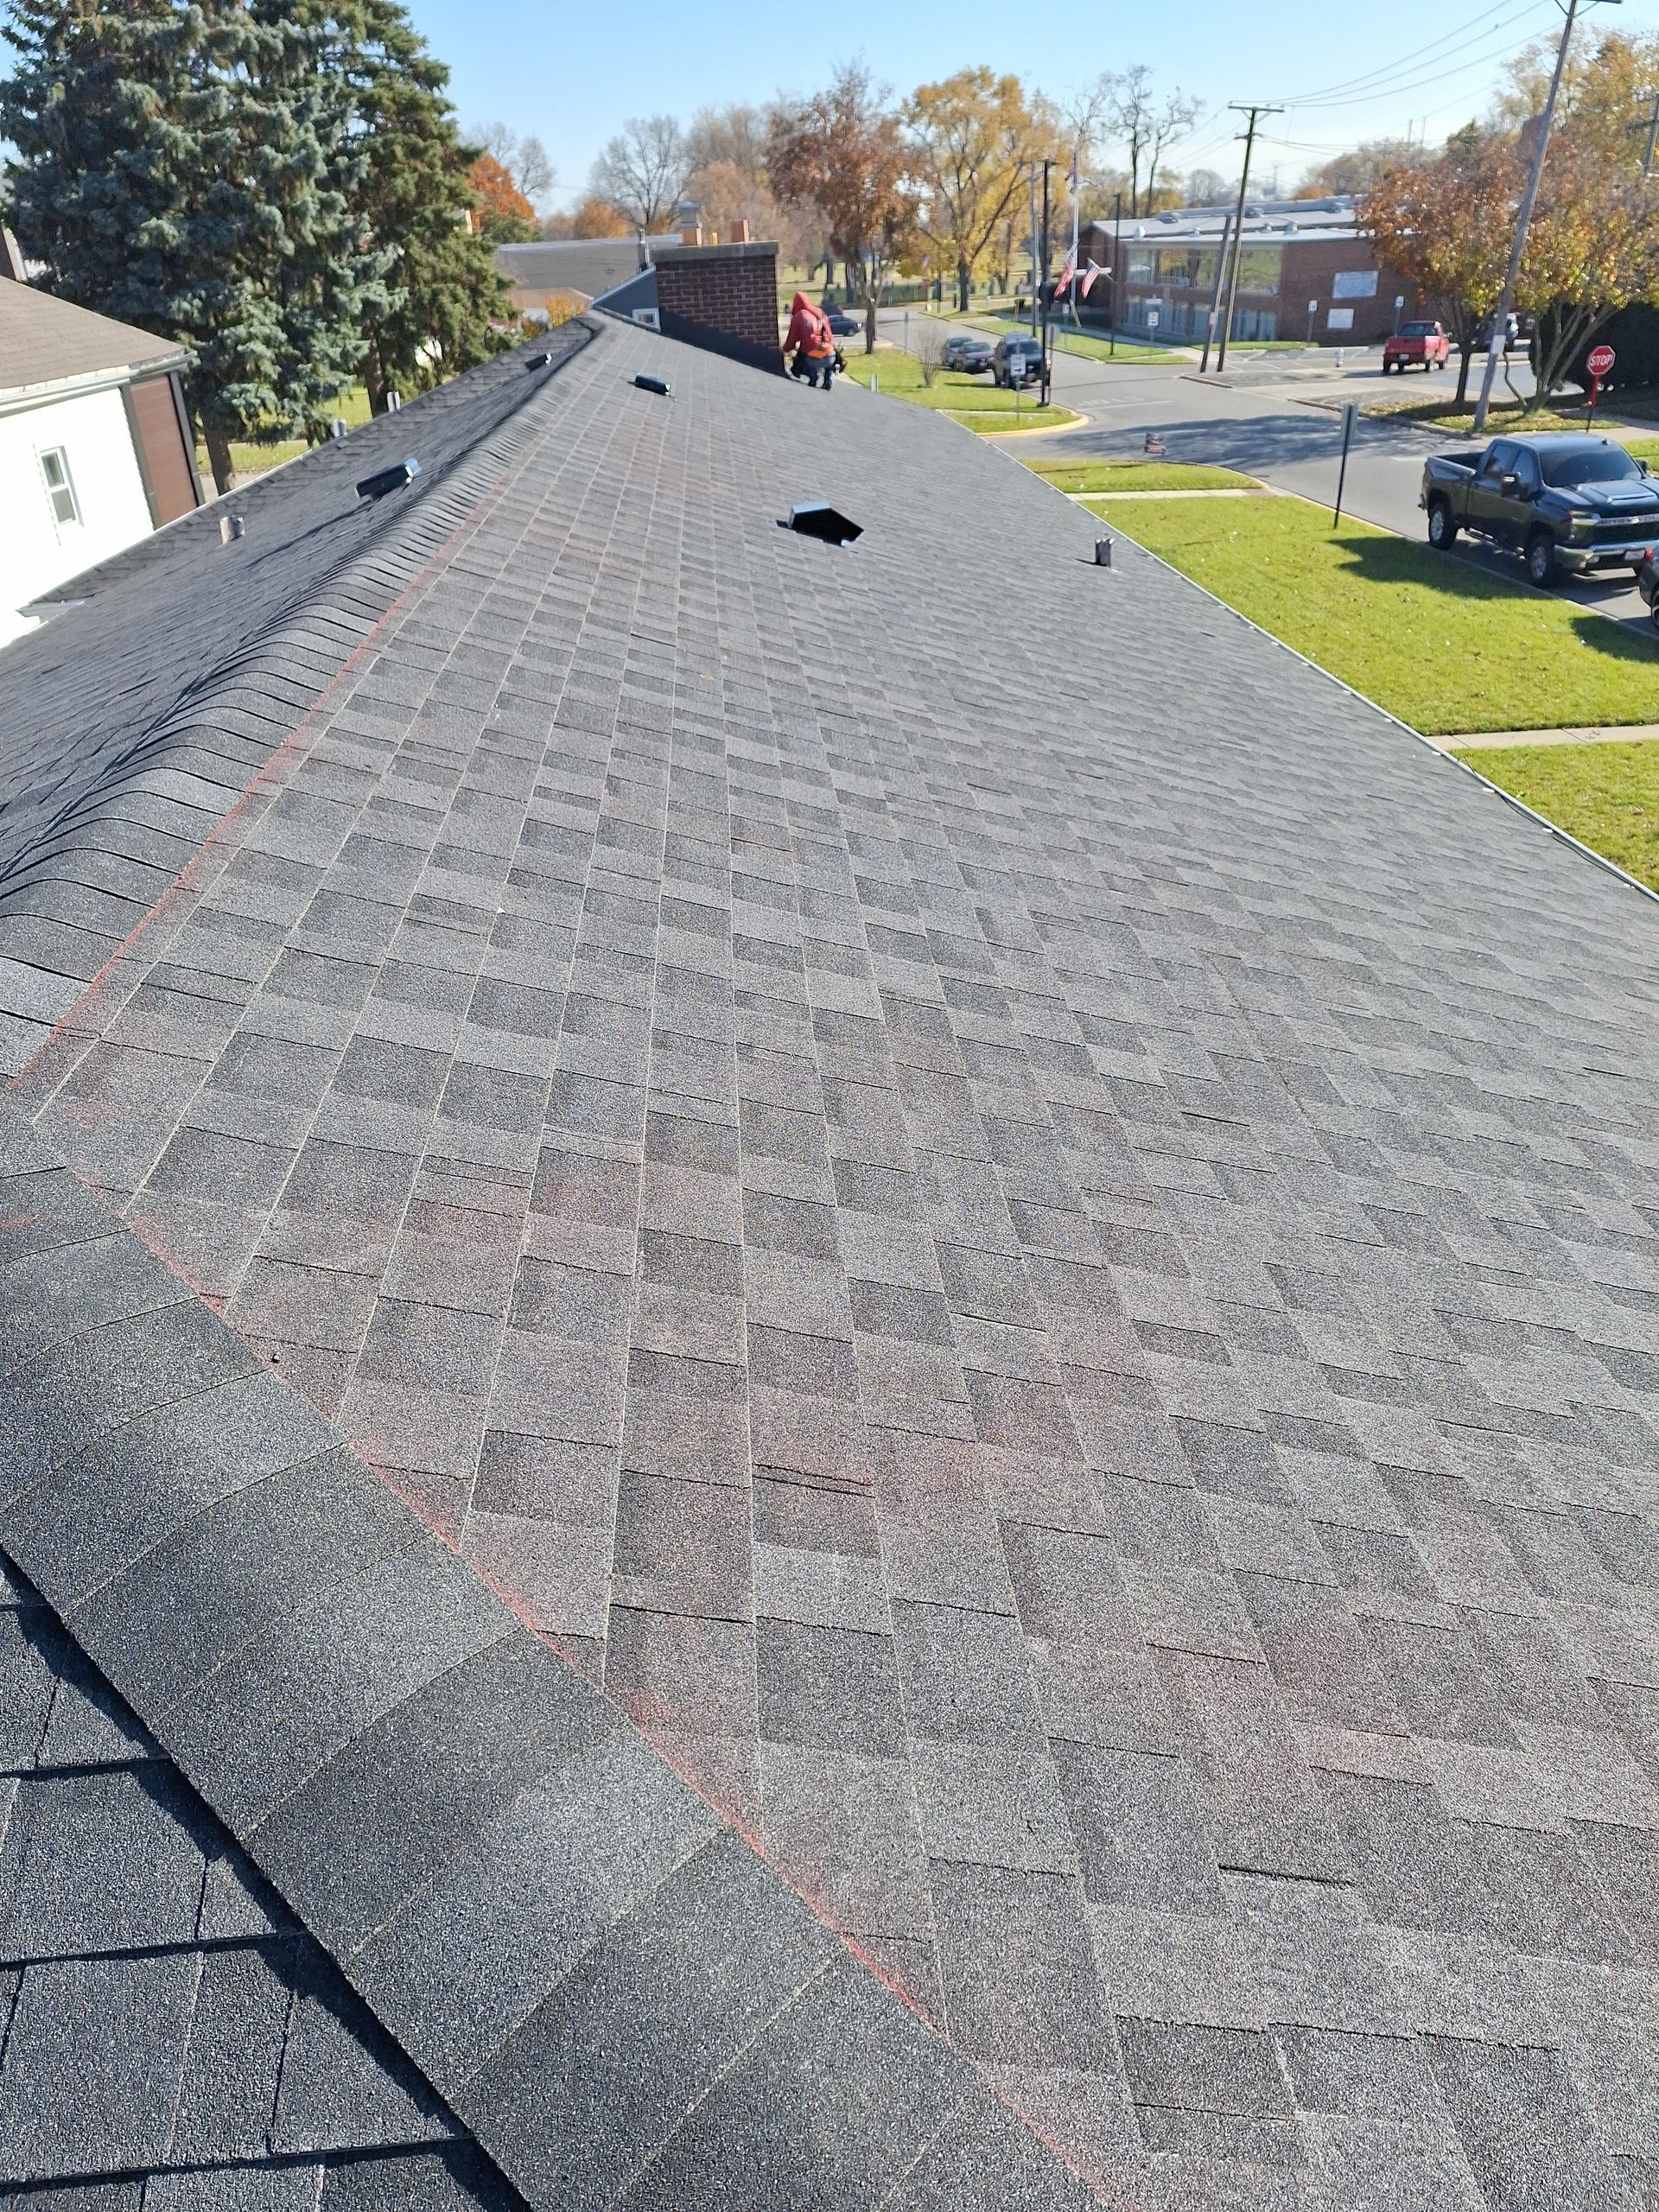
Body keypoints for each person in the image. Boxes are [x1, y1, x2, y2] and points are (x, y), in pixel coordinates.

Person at [785, 291, 837, 391]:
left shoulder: (799, 316)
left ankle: (812, 376)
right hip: (831, 356)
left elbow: (790, 343)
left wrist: (783, 350)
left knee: (801, 359)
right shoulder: (821, 313)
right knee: (826, 354)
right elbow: (830, 336)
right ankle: (829, 378)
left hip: (812, 359)